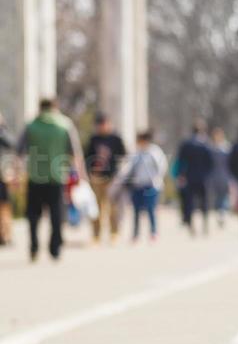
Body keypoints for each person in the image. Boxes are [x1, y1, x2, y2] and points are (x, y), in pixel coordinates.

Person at [17, 99, 82, 263]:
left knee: (33, 215)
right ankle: (55, 247)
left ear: (40, 108)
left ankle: (33, 247)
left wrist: (18, 173)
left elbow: (19, 151)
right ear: (55, 107)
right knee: (56, 214)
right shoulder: (65, 125)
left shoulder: (31, 126)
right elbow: (74, 152)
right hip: (57, 176)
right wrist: (79, 175)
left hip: (35, 176)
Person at [112, 129, 167, 242]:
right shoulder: (137, 153)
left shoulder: (154, 152)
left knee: (151, 209)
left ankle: (153, 232)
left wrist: (156, 179)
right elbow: (129, 168)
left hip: (151, 185)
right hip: (137, 185)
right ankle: (135, 234)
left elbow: (161, 167)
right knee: (136, 210)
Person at [84, 113, 128, 244]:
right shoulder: (93, 139)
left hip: (112, 178)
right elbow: (87, 156)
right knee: (96, 208)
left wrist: (119, 174)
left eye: (104, 124)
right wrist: (89, 172)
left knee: (113, 207)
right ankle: (96, 235)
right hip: (96, 178)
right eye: (99, 125)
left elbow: (124, 156)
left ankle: (114, 233)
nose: (102, 127)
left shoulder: (116, 139)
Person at [175, 120, 214, 237]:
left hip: (189, 176)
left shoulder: (186, 144)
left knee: (189, 202)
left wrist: (180, 175)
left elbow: (180, 161)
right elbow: (210, 163)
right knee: (204, 202)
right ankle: (205, 224)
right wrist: (207, 174)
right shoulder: (206, 144)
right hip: (203, 178)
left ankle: (191, 225)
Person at [207, 127, 233, 229]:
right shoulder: (213, 148)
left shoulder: (222, 148)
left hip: (222, 176)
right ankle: (221, 211)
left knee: (223, 195)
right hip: (218, 176)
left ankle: (221, 212)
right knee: (219, 196)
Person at [0, 114, 14, 247]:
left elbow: (11, 143)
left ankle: (5, 235)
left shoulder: (3, 134)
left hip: (2, 175)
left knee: (4, 205)